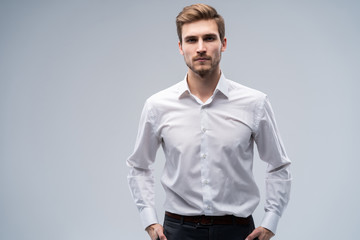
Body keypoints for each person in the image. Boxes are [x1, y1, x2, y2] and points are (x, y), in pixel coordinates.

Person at [127, 3, 291, 240]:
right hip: (177, 231)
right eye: (192, 40)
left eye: (209, 38)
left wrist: (270, 222)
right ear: (181, 47)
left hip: (238, 231)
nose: (201, 48)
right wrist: (149, 221)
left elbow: (278, 165)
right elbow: (139, 166)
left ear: (223, 44)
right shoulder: (157, 105)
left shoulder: (255, 103)